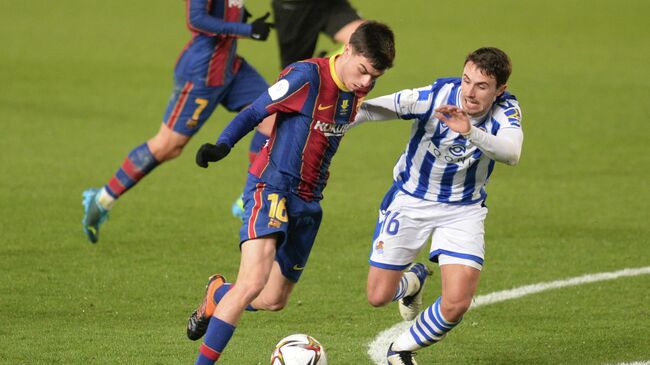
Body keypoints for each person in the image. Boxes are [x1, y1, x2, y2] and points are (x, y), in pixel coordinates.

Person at [186, 21, 395, 364]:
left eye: (375, 77)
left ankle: (216, 294)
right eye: (363, 71)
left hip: (309, 203)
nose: (367, 82)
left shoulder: (357, 91)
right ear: (349, 50)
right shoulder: (306, 77)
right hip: (272, 187)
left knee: (273, 299)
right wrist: (222, 145)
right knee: (252, 282)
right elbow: (255, 110)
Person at [354, 47, 523, 365]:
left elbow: (512, 153)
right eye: (466, 80)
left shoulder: (506, 109)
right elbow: (372, 109)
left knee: (457, 302)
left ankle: (400, 350)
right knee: (377, 296)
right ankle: (412, 281)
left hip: (463, 209)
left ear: (500, 90)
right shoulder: (435, 96)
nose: (470, 93)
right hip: (411, 201)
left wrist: (470, 131)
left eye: (482, 86)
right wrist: (332, 126)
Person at [81, 0, 276, 243]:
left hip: (231, 69)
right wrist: (246, 30)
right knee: (168, 146)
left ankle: (249, 198)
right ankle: (101, 200)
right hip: (201, 76)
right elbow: (196, 19)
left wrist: (238, 15)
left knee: (273, 117)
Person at [272, 0, 365, 68]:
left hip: (329, 4)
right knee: (294, 72)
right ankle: (322, 67)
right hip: (293, 9)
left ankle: (326, 64)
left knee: (364, 38)